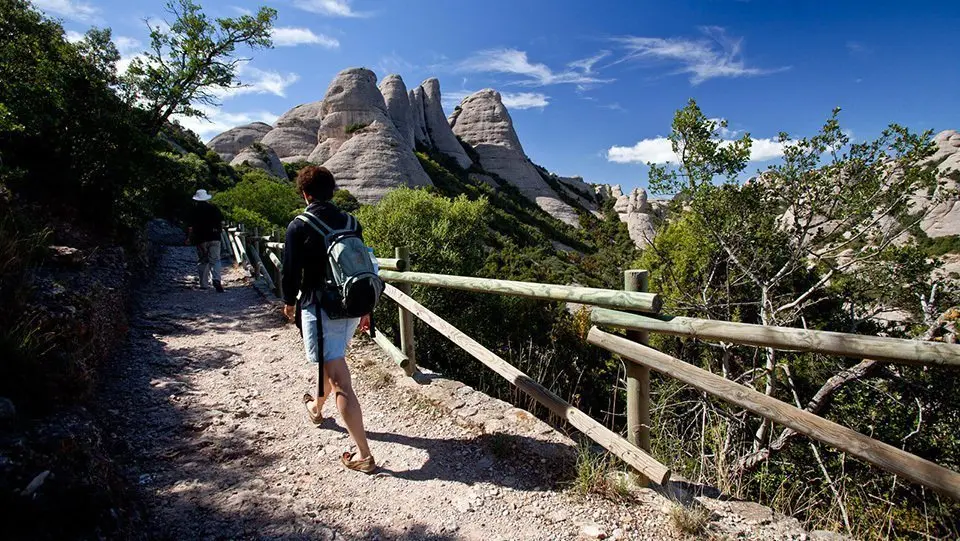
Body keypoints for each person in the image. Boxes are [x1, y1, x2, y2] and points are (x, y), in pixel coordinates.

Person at [281, 166, 375, 473]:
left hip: (321, 309)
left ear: (306, 194)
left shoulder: (300, 225)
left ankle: (364, 455)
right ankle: (316, 408)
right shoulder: (351, 221)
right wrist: (366, 308)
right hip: (350, 306)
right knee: (329, 362)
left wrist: (288, 303)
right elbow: (363, 265)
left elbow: (290, 272)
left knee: (340, 380)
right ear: (332, 191)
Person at [187, 189, 224, 293]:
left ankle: (204, 284)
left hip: (201, 239)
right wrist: (219, 232)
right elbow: (221, 222)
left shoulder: (194, 210)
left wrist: (189, 238)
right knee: (215, 260)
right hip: (215, 237)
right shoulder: (214, 208)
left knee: (203, 260)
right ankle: (216, 279)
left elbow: (190, 227)